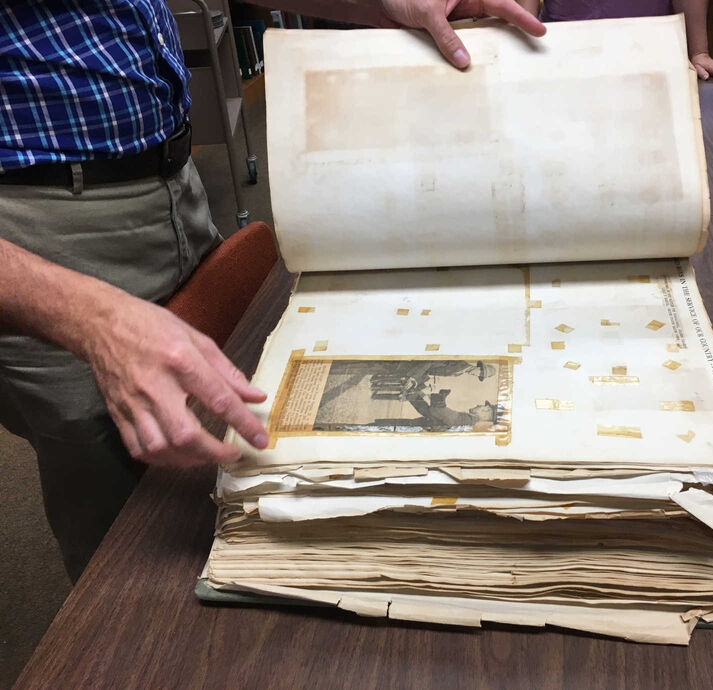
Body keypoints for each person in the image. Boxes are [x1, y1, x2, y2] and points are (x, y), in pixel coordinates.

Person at [0, 0, 545, 581]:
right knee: (133, 532)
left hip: (168, 183)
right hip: (38, 230)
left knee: (226, 434)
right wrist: (93, 321)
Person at [517, 0, 713, 82]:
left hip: (650, 49)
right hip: (564, 49)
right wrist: (522, 49)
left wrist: (698, 52)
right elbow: (524, 10)